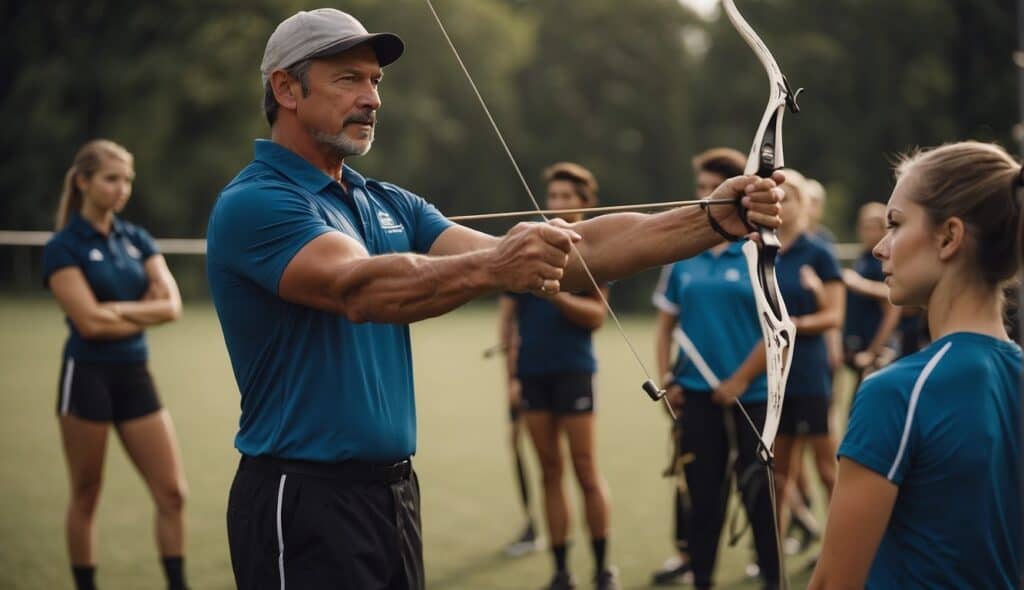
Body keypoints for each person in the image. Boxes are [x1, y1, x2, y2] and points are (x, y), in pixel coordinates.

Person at [205, 9, 783, 590]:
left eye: (376, 81)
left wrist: (713, 219)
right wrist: (497, 265)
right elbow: (361, 288)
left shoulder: (386, 201)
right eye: (348, 79)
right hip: (301, 497)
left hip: (392, 493)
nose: (373, 98)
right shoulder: (259, 202)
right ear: (285, 88)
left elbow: (578, 252)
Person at [809, 141, 1022, 588]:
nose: (882, 248)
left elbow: (834, 583)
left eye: (896, 224)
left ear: (949, 236)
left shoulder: (898, 392)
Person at [41, 140, 188, 590]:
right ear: (83, 182)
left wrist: (115, 311)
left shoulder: (136, 238)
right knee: (86, 495)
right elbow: (88, 323)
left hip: (134, 375)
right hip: (86, 376)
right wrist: (137, 308)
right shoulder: (63, 246)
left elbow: (172, 306)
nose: (121, 189)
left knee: (172, 494)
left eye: (127, 180)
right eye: (111, 178)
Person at [650, 148, 779, 590]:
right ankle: (701, 577)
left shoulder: (758, 251)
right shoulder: (682, 254)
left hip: (755, 394)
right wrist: (667, 377)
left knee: (758, 493)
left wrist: (741, 379)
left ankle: (771, 575)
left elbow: (775, 329)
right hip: (695, 392)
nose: (704, 197)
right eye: (701, 189)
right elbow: (666, 325)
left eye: (712, 189)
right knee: (702, 496)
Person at [499, 162, 619, 589]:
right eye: (555, 197)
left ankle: (603, 568)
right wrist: (511, 377)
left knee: (585, 470)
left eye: (569, 198)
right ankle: (561, 571)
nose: (560, 204)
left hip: (574, 372)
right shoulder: (529, 243)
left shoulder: (595, 249)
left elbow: (594, 318)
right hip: (533, 374)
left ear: (585, 205)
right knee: (549, 471)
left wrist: (553, 294)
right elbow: (509, 319)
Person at [769, 171, 845, 545]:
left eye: (790, 199)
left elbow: (834, 315)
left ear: (803, 205)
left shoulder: (819, 253)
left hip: (811, 373)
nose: (782, 205)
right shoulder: (762, 251)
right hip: (773, 375)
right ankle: (773, 556)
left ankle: (837, 546)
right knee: (779, 472)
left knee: (826, 469)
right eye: (777, 199)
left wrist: (791, 324)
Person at [841, 202, 902, 390]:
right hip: (858, 349)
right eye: (864, 227)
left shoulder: (884, 261)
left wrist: (872, 351)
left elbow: (892, 307)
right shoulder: (863, 258)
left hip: (879, 352)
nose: (869, 233)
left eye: (874, 227)